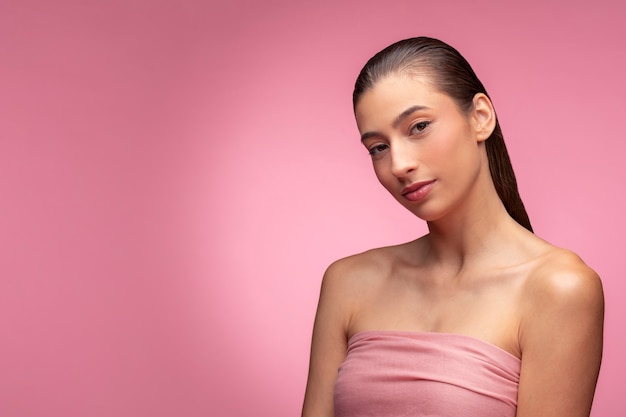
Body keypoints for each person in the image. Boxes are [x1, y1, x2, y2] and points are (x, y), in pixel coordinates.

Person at [301, 37, 604, 417]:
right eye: (378, 147)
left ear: (480, 117)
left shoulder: (558, 289)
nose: (398, 164)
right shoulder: (348, 282)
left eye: (419, 126)